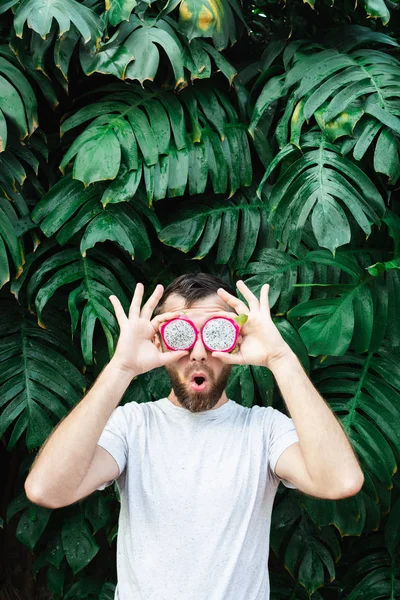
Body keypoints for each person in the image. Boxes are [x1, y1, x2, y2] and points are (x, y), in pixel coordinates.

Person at [25, 274, 364, 600]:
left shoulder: (263, 431)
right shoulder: (132, 426)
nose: (199, 352)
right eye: (181, 333)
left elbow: (341, 481)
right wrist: (121, 367)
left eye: (215, 332)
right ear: (159, 340)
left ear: (237, 338)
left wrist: (280, 358)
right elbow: (46, 489)